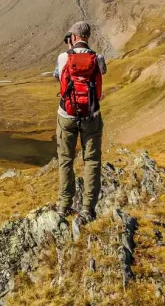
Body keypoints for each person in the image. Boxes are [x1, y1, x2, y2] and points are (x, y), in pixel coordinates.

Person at [53, 21, 107, 226]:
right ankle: (87, 208)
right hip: (91, 116)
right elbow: (104, 72)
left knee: (66, 159)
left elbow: (57, 75)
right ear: (87, 36)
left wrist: (69, 53)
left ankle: (64, 205)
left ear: (73, 37)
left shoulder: (63, 57)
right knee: (92, 160)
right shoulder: (98, 58)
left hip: (66, 115)